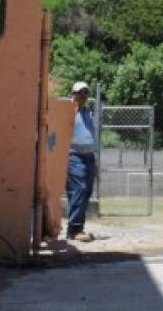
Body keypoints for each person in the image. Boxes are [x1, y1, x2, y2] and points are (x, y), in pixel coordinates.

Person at [66, 81, 97, 242]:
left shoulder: (88, 112)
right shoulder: (67, 112)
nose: (82, 95)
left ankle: (78, 228)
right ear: (72, 94)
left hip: (89, 156)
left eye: (85, 92)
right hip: (74, 156)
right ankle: (74, 229)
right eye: (79, 92)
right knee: (80, 189)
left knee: (85, 192)